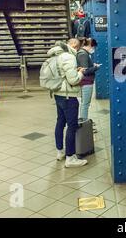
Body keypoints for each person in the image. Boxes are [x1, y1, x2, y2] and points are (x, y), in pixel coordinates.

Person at [48, 38, 88, 168]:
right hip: (68, 96)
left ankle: (60, 152)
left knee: (60, 122)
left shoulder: (55, 55)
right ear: (75, 46)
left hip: (58, 93)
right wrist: (80, 73)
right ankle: (70, 158)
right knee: (72, 126)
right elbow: (73, 80)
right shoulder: (68, 57)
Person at [76, 38, 100, 120]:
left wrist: (92, 65)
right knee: (85, 104)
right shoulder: (83, 54)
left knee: (84, 103)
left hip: (85, 81)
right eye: (93, 47)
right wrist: (95, 67)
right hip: (86, 82)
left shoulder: (83, 53)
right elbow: (85, 71)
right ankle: (84, 122)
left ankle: (83, 121)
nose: (93, 49)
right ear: (90, 45)